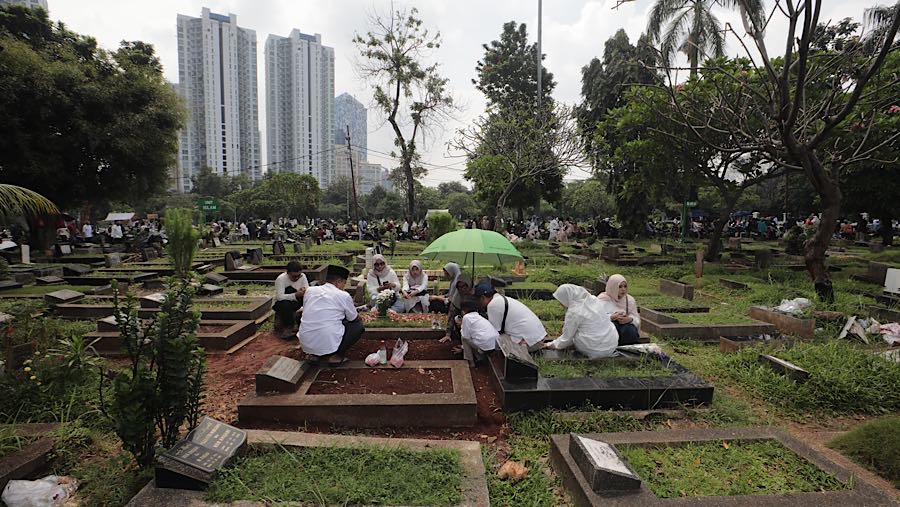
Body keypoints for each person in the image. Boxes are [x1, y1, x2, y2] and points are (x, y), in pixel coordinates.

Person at [297, 265, 364, 366]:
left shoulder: (310, 291)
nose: (343, 287)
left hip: (306, 342)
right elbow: (353, 318)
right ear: (338, 281)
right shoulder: (343, 295)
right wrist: (360, 317)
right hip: (327, 341)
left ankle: (313, 355)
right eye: (344, 283)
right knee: (358, 326)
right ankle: (336, 357)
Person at [543, 284, 618, 358]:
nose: (561, 304)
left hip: (593, 349)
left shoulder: (574, 311)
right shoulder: (593, 300)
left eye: (561, 301)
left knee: (574, 333)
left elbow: (567, 339)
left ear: (566, 297)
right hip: (611, 345)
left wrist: (551, 344)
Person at [474, 283, 546, 351]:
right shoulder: (499, 299)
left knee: (493, 342)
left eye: (477, 300)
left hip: (530, 343)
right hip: (537, 338)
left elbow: (494, 333)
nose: (478, 304)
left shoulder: (492, 305)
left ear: (483, 298)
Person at [597, 274, 641, 345]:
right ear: (613, 287)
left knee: (629, 330)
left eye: (625, 286)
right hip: (609, 326)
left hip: (625, 326)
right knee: (613, 328)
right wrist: (612, 317)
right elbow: (596, 318)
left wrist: (630, 319)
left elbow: (636, 319)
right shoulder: (603, 299)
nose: (623, 289)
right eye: (619, 287)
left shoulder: (629, 300)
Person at [455, 299, 498, 366]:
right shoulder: (479, 317)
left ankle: (471, 362)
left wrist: (461, 326)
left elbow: (465, 336)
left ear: (464, 310)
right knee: (473, 337)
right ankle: (479, 358)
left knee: (464, 338)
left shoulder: (466, 317)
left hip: (485, 346)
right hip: (494, 345)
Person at [273, 261, 309, 339]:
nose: (296, 278)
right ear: (288, 273)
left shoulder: (303, 277)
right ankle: (289, 327)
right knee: (285, 303)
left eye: (298, 276)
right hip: (283, 303)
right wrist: (295, 295)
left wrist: (304, 291)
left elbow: (307, 289)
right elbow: (280, 296)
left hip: (297, 300)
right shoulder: (281, 279)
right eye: (293, 276)